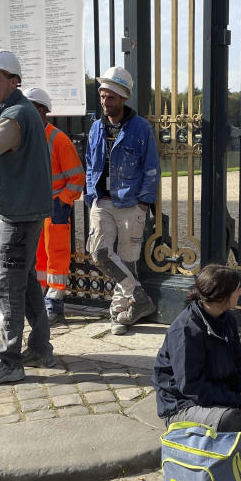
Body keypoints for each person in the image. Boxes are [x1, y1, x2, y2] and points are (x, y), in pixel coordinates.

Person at [0, 49, 53, 387]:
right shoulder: (21, 111)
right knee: (26, 279)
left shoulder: (14, 115)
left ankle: (9, 360)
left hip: (17, 214)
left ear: (14, 81)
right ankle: (40, 348)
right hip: (24, 210)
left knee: (7, 285)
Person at [153, 265, 241, 450]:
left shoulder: (227, 319)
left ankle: (234, 440)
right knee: (230, 418)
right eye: (237, 289)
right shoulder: (185, 330)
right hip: (183, 405)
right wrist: (237, 403)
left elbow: (239, 362)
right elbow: (191, 387)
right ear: (223, 296)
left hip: (222, 393)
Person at [83, 66, 160, 335]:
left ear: (123, 97)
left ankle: (120, 312)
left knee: (125, 261)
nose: (105, 102)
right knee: (100, 253)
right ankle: (140, 298)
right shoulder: (96, 128)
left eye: (111, 97)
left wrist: (143, 203)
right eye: (103, 96)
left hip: (131, 203)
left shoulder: (141, 128)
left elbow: (151, 167)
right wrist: (91, 195)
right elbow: (91, 164)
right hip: (102, 200)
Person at [26, 87, 85, 324]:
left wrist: (63, 200)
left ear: (42, 111)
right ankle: (42, 296)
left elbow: (77, 177)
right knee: (39, 252)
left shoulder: (58, 139)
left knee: (56, 253)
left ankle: (55, 301)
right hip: (35, 206)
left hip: (55, 205)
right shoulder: (26, 137)